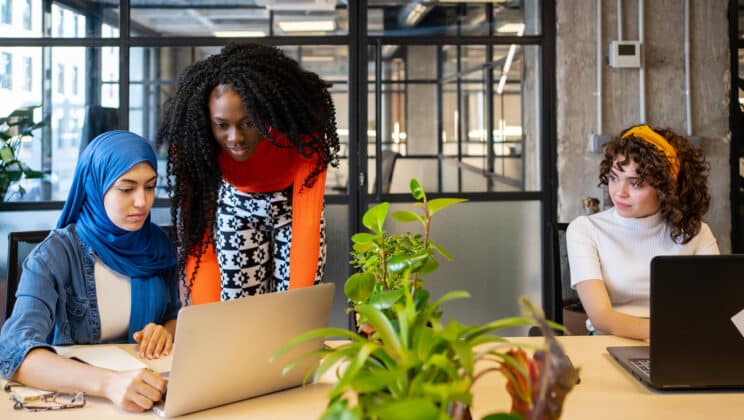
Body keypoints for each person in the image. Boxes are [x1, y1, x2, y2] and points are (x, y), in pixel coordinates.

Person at [0, 130, 179, 412]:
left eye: (150, 186)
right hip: (83, 402)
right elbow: (14, 353)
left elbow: (175, 315)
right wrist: (110, 384)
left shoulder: (158, 245)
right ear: (95, 187)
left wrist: (165, 331)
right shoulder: (53, 256)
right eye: (126, 188)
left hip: (148, 399)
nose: (143, 202)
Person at [157, 43, 340, 303]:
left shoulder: (302, 131)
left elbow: (307, 224)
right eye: (222, 125)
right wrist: (208, 320)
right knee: (236, 310)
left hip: (292, 209)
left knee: (292, 311)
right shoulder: (192, 143)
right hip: (236, 205)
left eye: (249, 123)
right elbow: (200, 243)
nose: (236, 138)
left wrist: (295, 319)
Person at [566, 124, 719, 341]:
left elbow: (717, 304)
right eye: (613, 177)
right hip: (610, 344)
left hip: (681, 346)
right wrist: (670, 335)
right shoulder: (585, 230)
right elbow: (601, 317)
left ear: (666, 188)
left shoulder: (696, 232)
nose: (619, 192)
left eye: (636, 183)